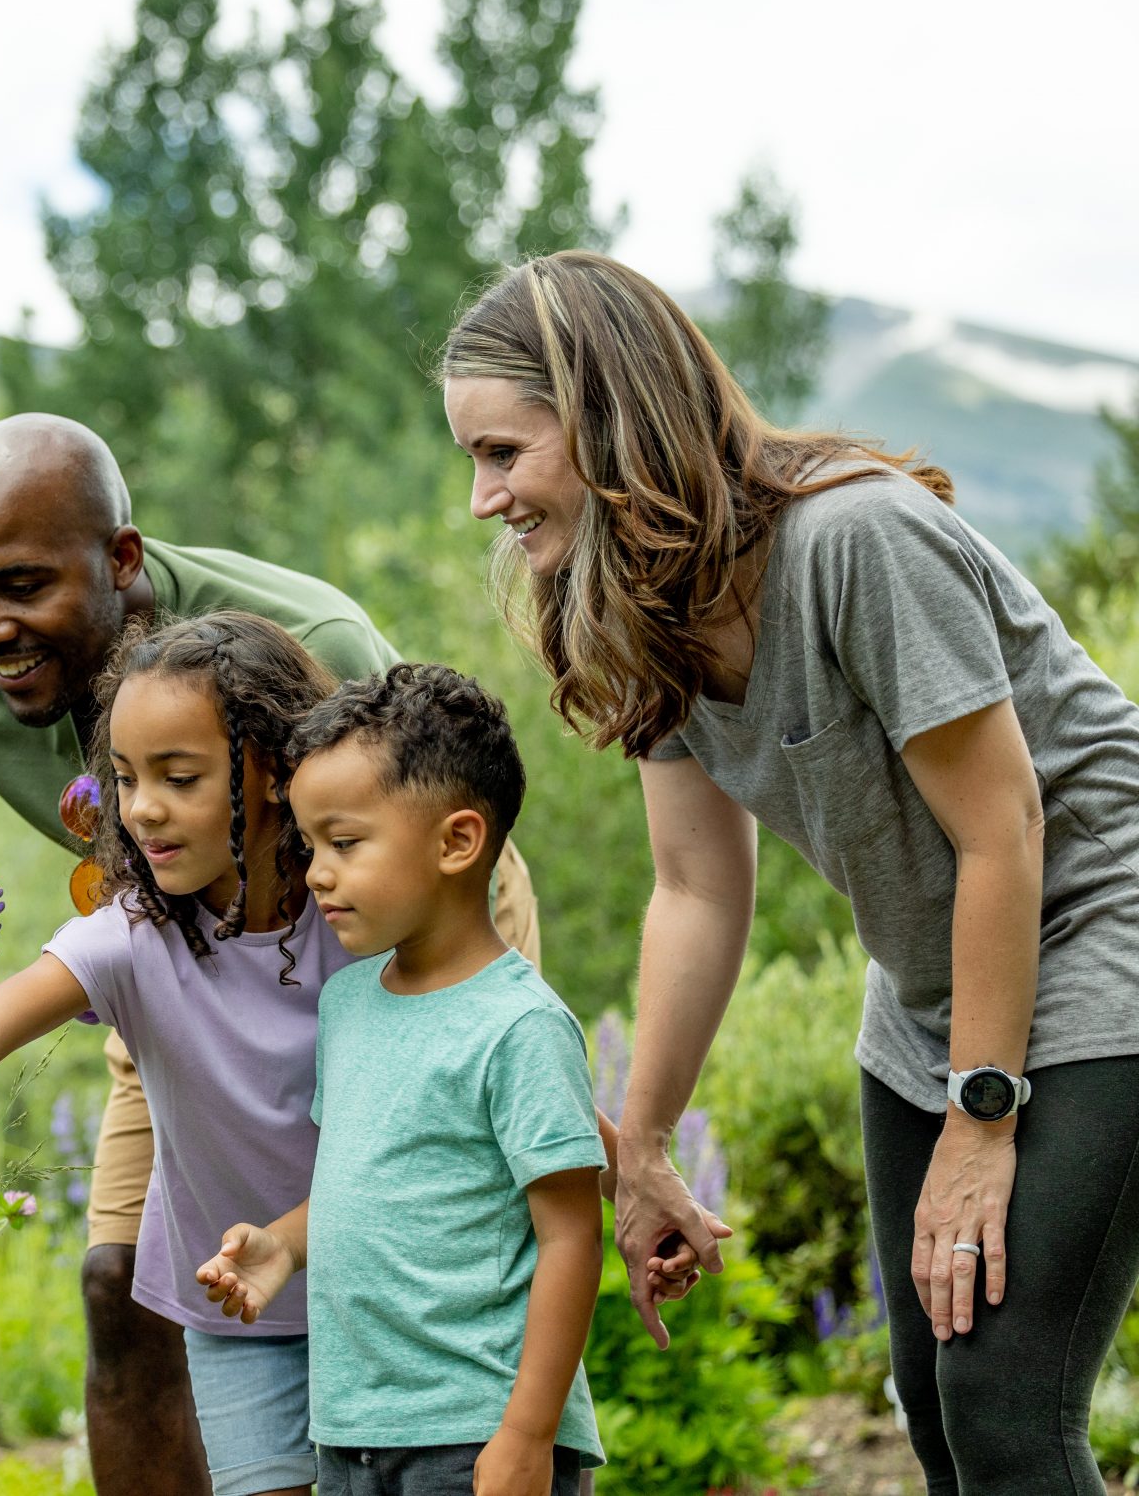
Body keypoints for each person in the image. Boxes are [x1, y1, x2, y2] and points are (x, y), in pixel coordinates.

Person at [0, 414, 544, 1496]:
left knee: (392, 1244)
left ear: (120, 560)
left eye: (18, 585)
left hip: (390, 938)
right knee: (125, 1281)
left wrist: (588, 1138)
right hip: (176, 953)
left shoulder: (308, 643)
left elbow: (441, 863)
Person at [441, 250, 1139, 1494]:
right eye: (473, 461)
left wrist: (984, 1119)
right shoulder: (634, 600)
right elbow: (697, 886)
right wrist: (643, 1141)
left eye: (504, 453)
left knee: (1003, 1399)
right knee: (932, 1400)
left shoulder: (856, 542)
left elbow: (1003, 830)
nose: (484, 498)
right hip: (932, 978)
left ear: (602, 420)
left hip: (1100, 927)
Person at [197, 665, 611, 1496]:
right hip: (354, 1430)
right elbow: (372, 1183)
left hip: (475, 1431)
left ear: (457, 842)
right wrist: (284, 1246)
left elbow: (570, 1238)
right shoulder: (349, 1004)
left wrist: (528, 1433)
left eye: (343, 844)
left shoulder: (519, 1026)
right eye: (310, 846)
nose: (315, 872)